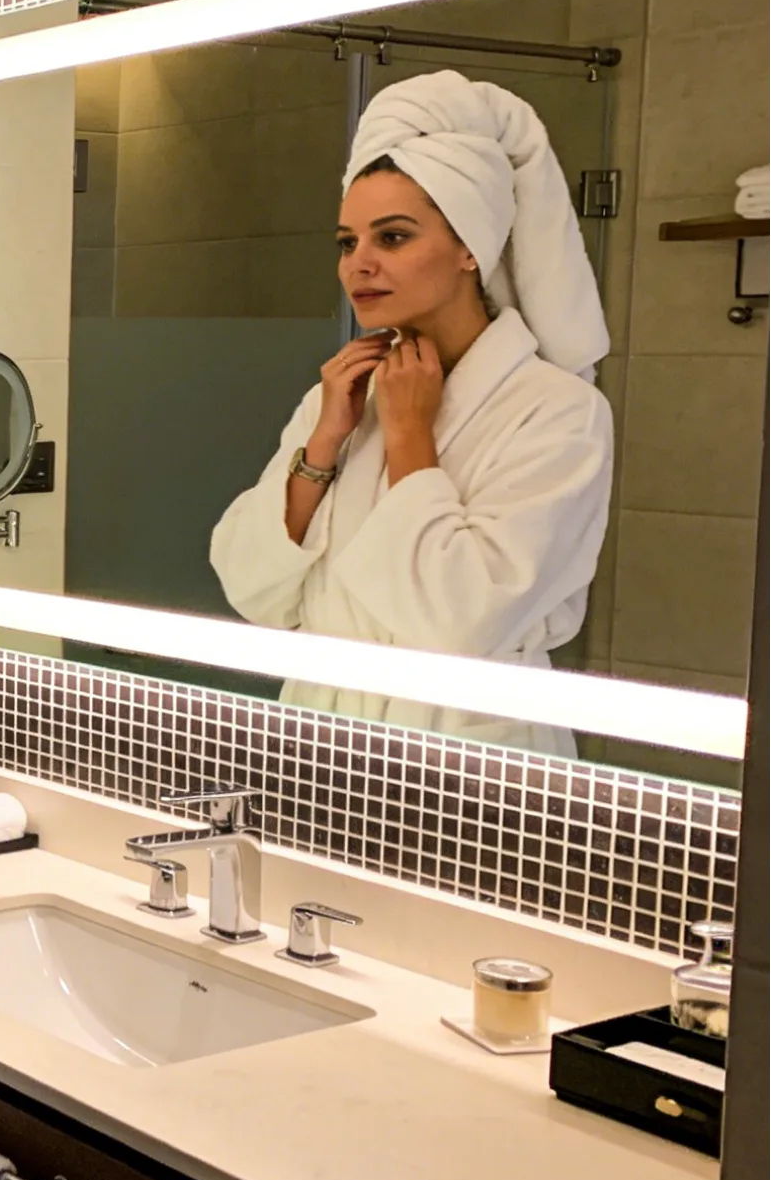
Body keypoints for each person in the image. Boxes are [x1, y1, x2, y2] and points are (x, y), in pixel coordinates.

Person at [209, 69, 614, 753]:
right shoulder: (343, 395)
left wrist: (408, 437)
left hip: (468, 752)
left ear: (470, 248)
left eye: (391, 237)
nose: (357, 265)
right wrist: (323, 444)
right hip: (321, 732)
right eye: (347, 242)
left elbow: (459, 622)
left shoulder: (558, 411)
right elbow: (252, 591)